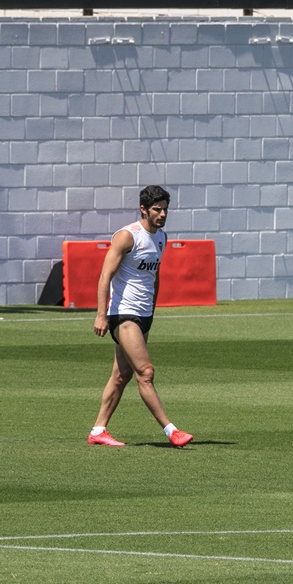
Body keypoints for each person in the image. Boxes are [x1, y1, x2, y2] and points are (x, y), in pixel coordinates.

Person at [88, 185, 193, 448]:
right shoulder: (127, 236)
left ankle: (98, 430)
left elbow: (153, 275)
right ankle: (171, 431)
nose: (163, 214)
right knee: (145, 372)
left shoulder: (161, 237)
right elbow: (105, 276)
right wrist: (102, 314)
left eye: (165, 209)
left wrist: (152, 310)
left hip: (143, 315)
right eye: (157, 209)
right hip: (123, 314)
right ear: (143, 209)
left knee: (121, 376)